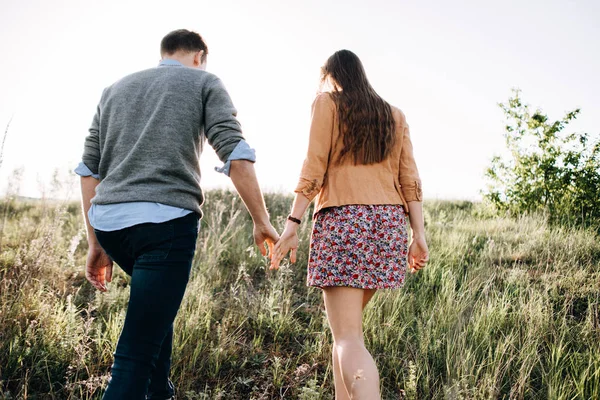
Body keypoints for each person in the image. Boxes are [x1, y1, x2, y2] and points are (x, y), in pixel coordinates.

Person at [75, 29, 279, 400]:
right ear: (199, 55)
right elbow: (234, 151)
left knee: (155, 308)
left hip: (110, 225)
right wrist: (261, 220)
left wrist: (95, 242)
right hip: (165, 225)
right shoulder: (204, 81)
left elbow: (89, 171)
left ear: (164, 52)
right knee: (134, 355)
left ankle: (160, 392)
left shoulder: (114, 89)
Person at [271, 50, 429, 400]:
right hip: (388, 226)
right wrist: (417, 235)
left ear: (331, 76)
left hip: (344, 221)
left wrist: (292, 223)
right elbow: (409, 180)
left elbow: (314, 166)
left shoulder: (327, 103)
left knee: (347, 338)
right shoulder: (395, 115)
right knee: (344, 334)